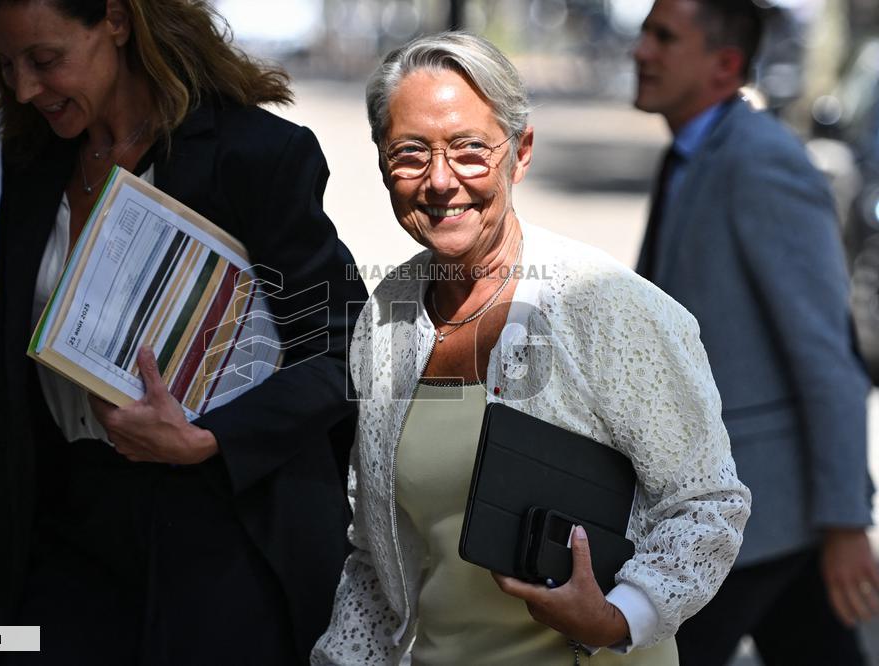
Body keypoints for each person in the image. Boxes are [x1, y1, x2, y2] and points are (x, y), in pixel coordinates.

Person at [0, 0, 366, 664]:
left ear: (116, 19)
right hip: (67, 529)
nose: (23, 88)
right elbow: (11, 383)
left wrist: (209, 439)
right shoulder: (33, 161)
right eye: (3, 64)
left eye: (44, 59)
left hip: (223, 534)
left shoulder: (253, 155)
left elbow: (350, 351)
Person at [312, 32, 750, 666]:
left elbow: (707, 502)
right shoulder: (387, 317)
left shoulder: (605, 305)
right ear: (382, 164)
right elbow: (376, 554)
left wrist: (617, 616)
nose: (440, 181)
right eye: (411, 153)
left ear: (520, 153)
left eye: (469, 149)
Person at [632, 1, 878, 664]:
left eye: (664, 37)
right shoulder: (692, 153)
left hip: (752, 518)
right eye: (644, 31)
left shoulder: (761, 161)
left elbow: (826, 353)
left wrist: (847, 520)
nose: (640, 51)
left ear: (725, 65)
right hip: (743, 512)